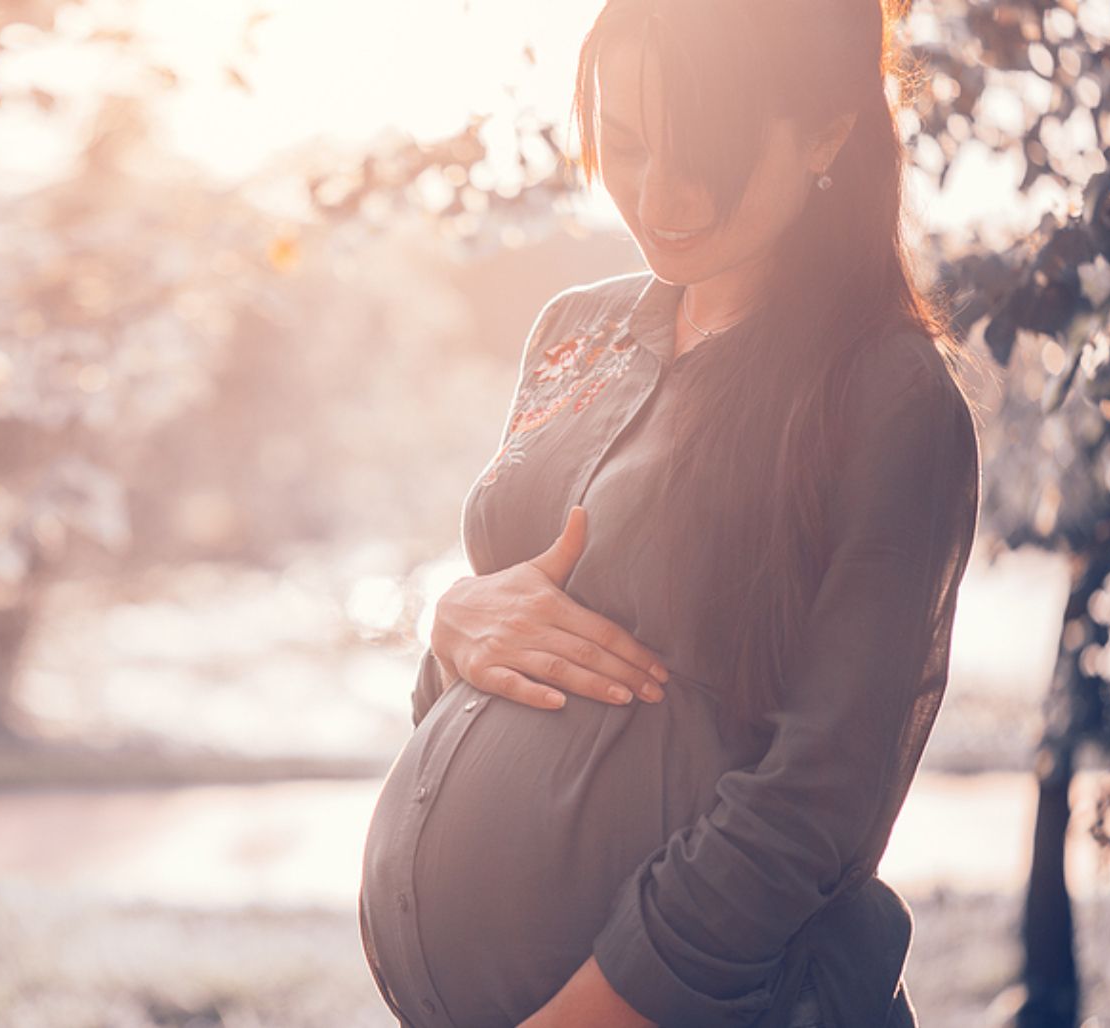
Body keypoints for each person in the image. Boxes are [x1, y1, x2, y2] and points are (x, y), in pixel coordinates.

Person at [360, 0, 982, 1025]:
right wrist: (453, 621)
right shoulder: (574, 333)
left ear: (826, 129)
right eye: (629, 144)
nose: (659, 195)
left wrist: (590, 1008)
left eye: (705, 153)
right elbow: (507, 655)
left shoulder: (886, 397)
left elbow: (819, 799)